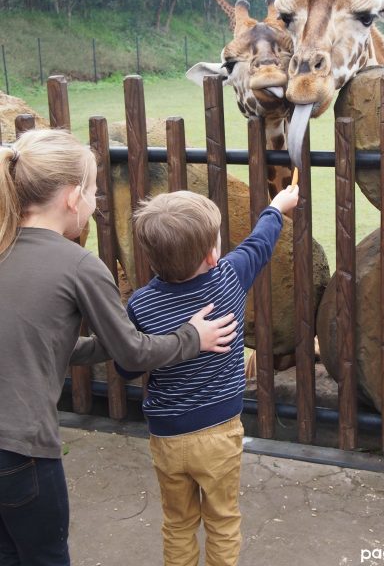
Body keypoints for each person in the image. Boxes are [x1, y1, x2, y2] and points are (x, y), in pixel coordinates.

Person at [0, 128, 238, 566]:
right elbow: (131, 355)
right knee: (44, 556)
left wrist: (109, 341)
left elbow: (49, 344)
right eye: (93, 191)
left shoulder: (4, 246)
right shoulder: (78, 264)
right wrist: (192, 338)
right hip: (21, 448)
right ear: (73, 198)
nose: (96, 202)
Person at [115, 185, 299, 566]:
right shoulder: (228, 280)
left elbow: (127, 366)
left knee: (179, 523)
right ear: (213, 255)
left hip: (167, 434)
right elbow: (259, 245)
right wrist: (277, 207)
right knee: (222, 520)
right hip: (218, 433)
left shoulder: (142, 304)